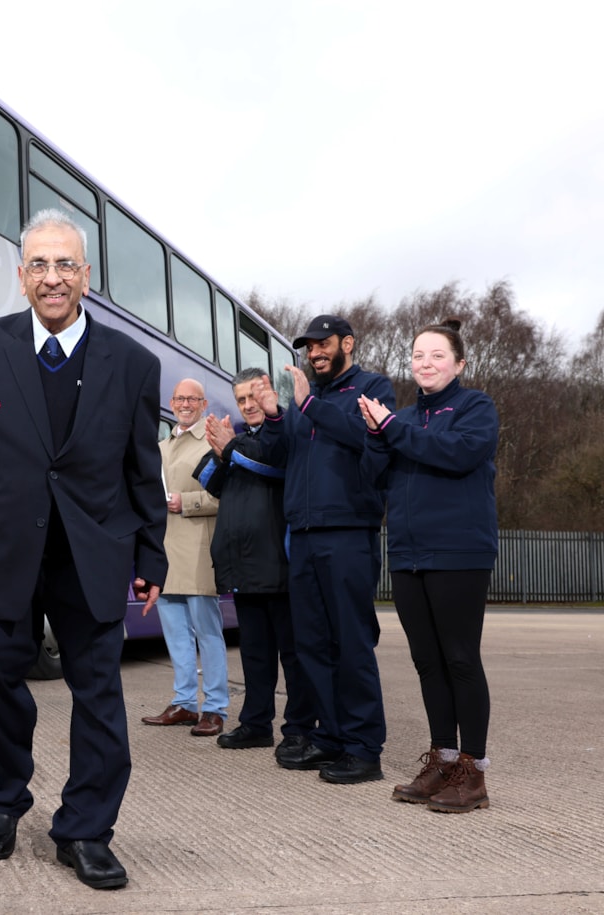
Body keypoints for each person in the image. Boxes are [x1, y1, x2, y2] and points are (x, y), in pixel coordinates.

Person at [0, 209, 167, 891]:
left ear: (86, 275)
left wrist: (151, 558)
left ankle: (86, 827)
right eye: (40, 265)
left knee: (100, 694)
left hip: (94, 551)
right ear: (21, 276)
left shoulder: (135, 365)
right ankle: (1, 799)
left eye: (66, 265)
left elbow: (144, 472)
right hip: (3, 548)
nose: (53, 277)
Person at [359, 319, 497, 813]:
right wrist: (377, 435)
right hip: (409, 555)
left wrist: (391, 428)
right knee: (427, 661)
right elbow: (371, 477)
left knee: (460, 658)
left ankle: (472, 771)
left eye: (437, 355)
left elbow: (457, 455)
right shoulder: (401, 419)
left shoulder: (474, 407)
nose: (426, 363)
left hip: (459, 553)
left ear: (459, 363)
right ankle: (441, 760)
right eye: (418, 355)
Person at [252, 314, 395, 785]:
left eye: (323, 344)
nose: (314, 353)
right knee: (311, 642)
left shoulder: (372, 388)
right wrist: (276, 416)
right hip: (305, 535)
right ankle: (331, 736)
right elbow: (279, 456)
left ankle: (364, 748)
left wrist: (308, 404)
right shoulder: (301, 403)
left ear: (347, 344)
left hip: (349, 532)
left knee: (351, 642)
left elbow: (368, 438)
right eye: (308, 348)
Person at [196, 367, 315, 758]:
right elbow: (211, 483)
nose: (248, 405)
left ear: (268, 392)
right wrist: (220, 451)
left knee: (293, 655)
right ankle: (255, 723)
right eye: (241, 399)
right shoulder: (240, 442)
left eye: (253, 396)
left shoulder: (284, 432)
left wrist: (231, 449)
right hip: (242, 567)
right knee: (254, 653)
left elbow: (272, 465)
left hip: (279, 565)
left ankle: (298, 728)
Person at [140, 378, 228, 738]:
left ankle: (216, 708)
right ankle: (184, 704)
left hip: (197, 551)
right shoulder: (160, 447)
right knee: (176, 635)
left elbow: (225, 498)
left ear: (203, 403)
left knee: (208, 633)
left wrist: (185, 502)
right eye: (180, 398)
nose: (186, 404)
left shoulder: (212, 442)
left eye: (193, 398)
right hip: (165, 553)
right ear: (172, 402)